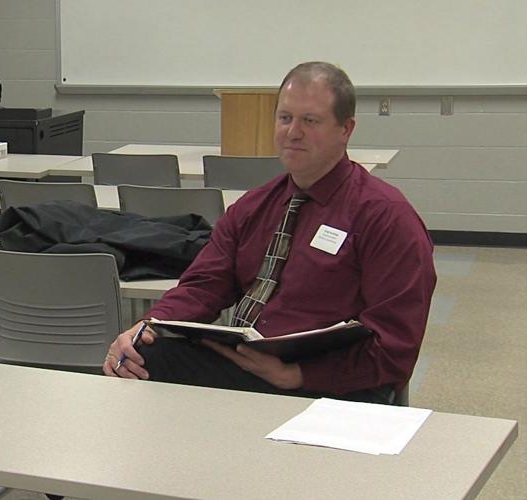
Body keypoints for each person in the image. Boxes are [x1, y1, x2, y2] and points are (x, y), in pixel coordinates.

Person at [103, 62, 437, 404]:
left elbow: (396, 346)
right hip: (251, 365)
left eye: (310, 121)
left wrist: (297, 375)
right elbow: (204, 286)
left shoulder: (385, 217)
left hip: (331, 384)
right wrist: (147, 326)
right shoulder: (255, 207)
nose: (293, 132)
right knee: (141, 358)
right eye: (285, 118)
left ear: (345, 129)